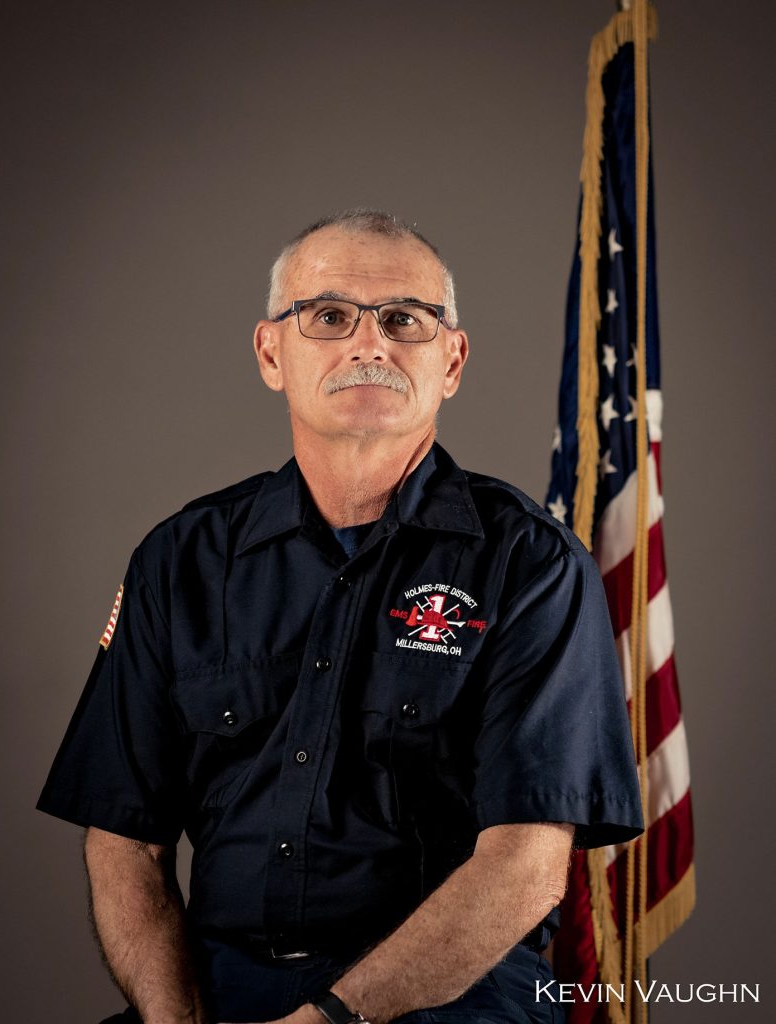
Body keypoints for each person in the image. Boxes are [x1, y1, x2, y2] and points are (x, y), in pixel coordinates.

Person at [38, 209, 643, 1024]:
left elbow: (527, 861)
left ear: (452, 360)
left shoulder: (530, 563)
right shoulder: (178, 560)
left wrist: (330, 1020)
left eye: (405, 320)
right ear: (270, 354)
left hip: (448, 1000)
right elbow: (125, 841)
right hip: (213, 992)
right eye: (328, 316)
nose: (370, 344)